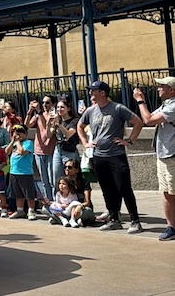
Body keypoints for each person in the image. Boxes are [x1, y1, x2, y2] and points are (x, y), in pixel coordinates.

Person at [76, 80, 144, 233]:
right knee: (107, 189)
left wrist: (129, 141)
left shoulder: (118, 108)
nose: (90, 93)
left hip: (116, 155)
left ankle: (135, 221)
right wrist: (85, 142)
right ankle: (114, 219)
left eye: (93, 90)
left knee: (124, 188)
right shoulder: (91, 111)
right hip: (99, 156)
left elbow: (138, 122)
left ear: (102, 93)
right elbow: (80, 126)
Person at [133, 76, 175, 241]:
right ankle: (171, 227)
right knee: (166, 193)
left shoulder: (174, 106)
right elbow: (148, 117)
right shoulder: (167, 104)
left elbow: (149, 120)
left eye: (162, 86)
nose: (158, 89)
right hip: (164, 155)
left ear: (171, 90)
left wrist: (140, 101)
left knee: (173, 192)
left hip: (172, 156)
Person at [26, 95, 58, 203]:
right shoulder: (38, 115)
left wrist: (39, 112)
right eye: (43, 102)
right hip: (39, 150)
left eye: (47, 102)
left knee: (52, 180)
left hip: (51, 150)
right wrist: (30, 112)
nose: (44, 105)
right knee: (44, 180)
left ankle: (55, 201)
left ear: (53, 104)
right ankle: (48, 201)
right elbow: (26, 126)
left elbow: (45, 127)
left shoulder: (54, 116)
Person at [6, 125, 37, 220]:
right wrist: (12, 142)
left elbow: (22, 152)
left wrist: (18, 142)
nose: (17, 135)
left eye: (19, 133)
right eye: (15, 133)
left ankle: (31, 210)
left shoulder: (28, 143)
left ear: (25, 134)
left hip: (25, 173)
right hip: (14, 172)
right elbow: (7, 151)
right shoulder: (14, 143)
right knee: (17, 193)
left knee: (29, 194)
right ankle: (20, 210)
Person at [49, 96, 81, 189]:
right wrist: (48, 123)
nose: (59, 109)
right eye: (58, 107)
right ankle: (58, 196)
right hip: (58, 150)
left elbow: (68, 134)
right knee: (57, 178)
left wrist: (59, 124)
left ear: (69, 108)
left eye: (62, 107)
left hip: (70, 151)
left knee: (71, 178)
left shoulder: (74, 121)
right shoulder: (58, 120)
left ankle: (73, 196)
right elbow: (48, 135)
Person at [62, 158, 96, 226]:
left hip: (82, 209)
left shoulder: (84, 182)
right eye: (65, 167)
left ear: (77, 170)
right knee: (45, 209)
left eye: (70, 167)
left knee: (88, 211)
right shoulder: (63, 182)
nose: (67, 169)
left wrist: (79, 206)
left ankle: (65, 219)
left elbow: (87, 202)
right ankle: (73, 219)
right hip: (68, 209)